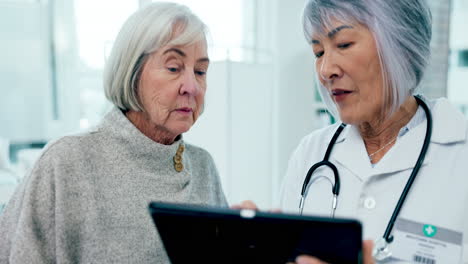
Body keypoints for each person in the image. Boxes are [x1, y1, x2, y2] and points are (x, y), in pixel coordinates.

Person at [0, 3, 226, 263]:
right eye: (174, 68)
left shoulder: (203, 167)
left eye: (200, 72)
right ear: (132, 72)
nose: (192, 87)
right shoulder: (66, 161)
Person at [279, 0, 468, 263]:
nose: (326, 70)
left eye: (343, 44)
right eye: (318, 52)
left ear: (402, 45)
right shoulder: (310, 154)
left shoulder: (459, 157)